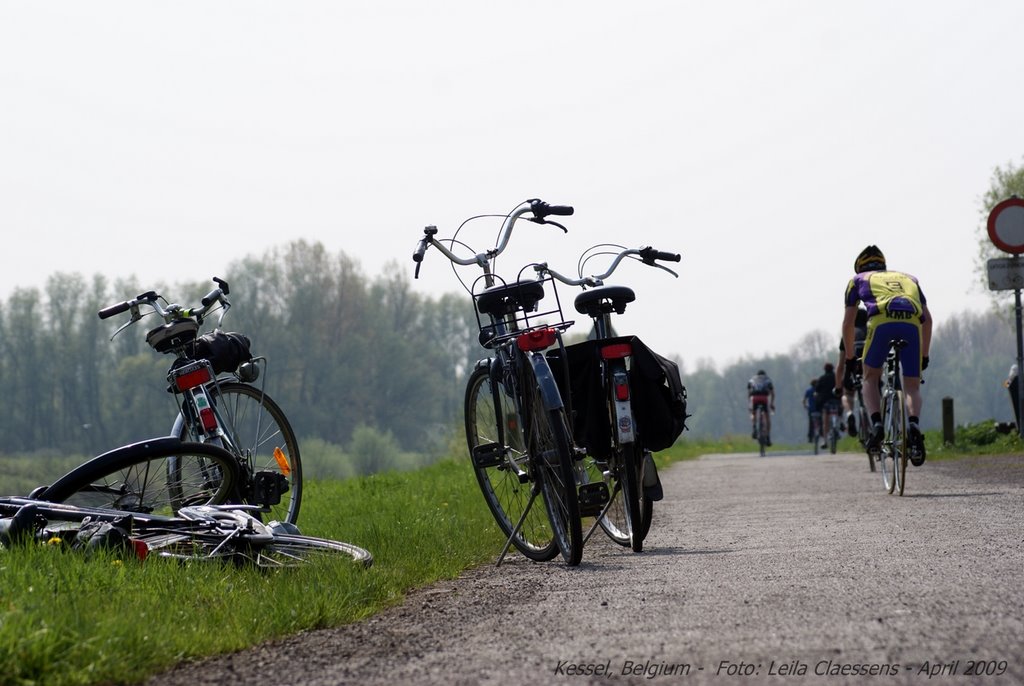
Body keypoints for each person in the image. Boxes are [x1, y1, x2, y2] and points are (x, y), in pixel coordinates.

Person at [842, 245, 932, 465]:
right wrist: (924, 355)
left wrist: (850, 359)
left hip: (881, 323)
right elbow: (927, 320)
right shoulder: (910, 278)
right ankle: (913, 425)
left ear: (860, 267)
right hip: (911, 323)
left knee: (870, 378)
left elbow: (849, 324)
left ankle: (878, 425)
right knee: (912, 386)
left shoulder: (858, 279)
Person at [836, 307, 868, 436]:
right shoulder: (870, 331)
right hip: (868, 368)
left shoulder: (848, 333)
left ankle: (849, 413)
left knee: (848, 395)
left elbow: (840, 365)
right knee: (873, 392)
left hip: (853, 367)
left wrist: (838, 387)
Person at [813, 363, 840, 449]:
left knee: (825, 422)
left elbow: (817, 389)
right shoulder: (836, 377)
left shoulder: (822, 378)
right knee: (839, 412)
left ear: (825, 369)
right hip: (836, 400)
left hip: (826, 401)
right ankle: (839, 427)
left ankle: (825, 440)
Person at [747, 369, 775, 446]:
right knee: (767, 417)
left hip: (754, 398)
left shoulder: (752, 379)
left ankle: (754, 427)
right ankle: (768, 437)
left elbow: (749, 393)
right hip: (764, 398)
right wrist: (772, 404)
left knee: (753, 413)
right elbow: (772, 393)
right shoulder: (767, 379)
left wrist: (749, 404)